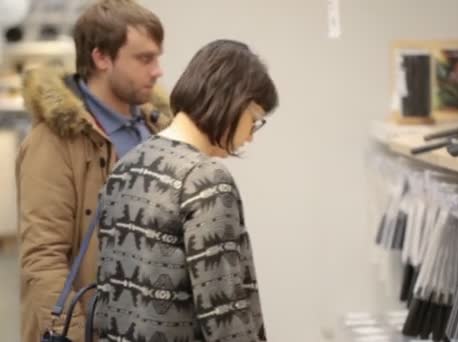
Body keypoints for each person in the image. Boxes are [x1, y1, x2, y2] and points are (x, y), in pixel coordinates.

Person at [94, 39, 278, 342]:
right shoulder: (205, 178)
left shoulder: (127, 165)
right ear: (233, 102)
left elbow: (109, 290)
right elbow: (224, 312)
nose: (250, 137)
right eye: (254, 120)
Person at [15, 1, 172, 341]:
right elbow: (43, 259)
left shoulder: (157, 128)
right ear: (102, 58)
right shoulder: (54, 142)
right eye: (144, 59)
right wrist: (75, 336)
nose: (158, 70)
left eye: (157, 57)